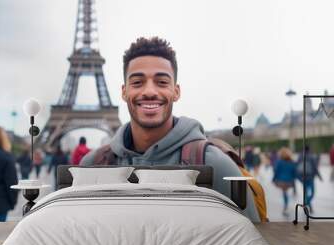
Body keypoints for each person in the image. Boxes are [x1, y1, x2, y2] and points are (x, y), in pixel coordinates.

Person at [80, 37, 260, 222]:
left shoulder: (216, 164)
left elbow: (253, 241)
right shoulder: (91, 163)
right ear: (124, 91)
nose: (149, 91)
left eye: (162, 82)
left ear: (176, 91)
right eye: (137, 82)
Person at [296, 145, 322, 213]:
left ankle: (307, 204)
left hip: (302, 177)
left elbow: (296, 167)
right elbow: (315, 167)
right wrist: (319, 176)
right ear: (309, 150)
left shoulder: (300, 156)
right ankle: (307, 203)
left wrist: (297, 177)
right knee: (313, 193)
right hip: (310, 177)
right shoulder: (311, 156)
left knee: (305, 193)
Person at [272, 147, 297, 215]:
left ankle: (286, 206)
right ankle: (286, 205)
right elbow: (294, 172)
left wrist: (273, 179)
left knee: (284, 193)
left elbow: (276, 171)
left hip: (281, 181)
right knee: (285, 192)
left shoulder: (279, 161)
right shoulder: (292, 161)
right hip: (289, 181)